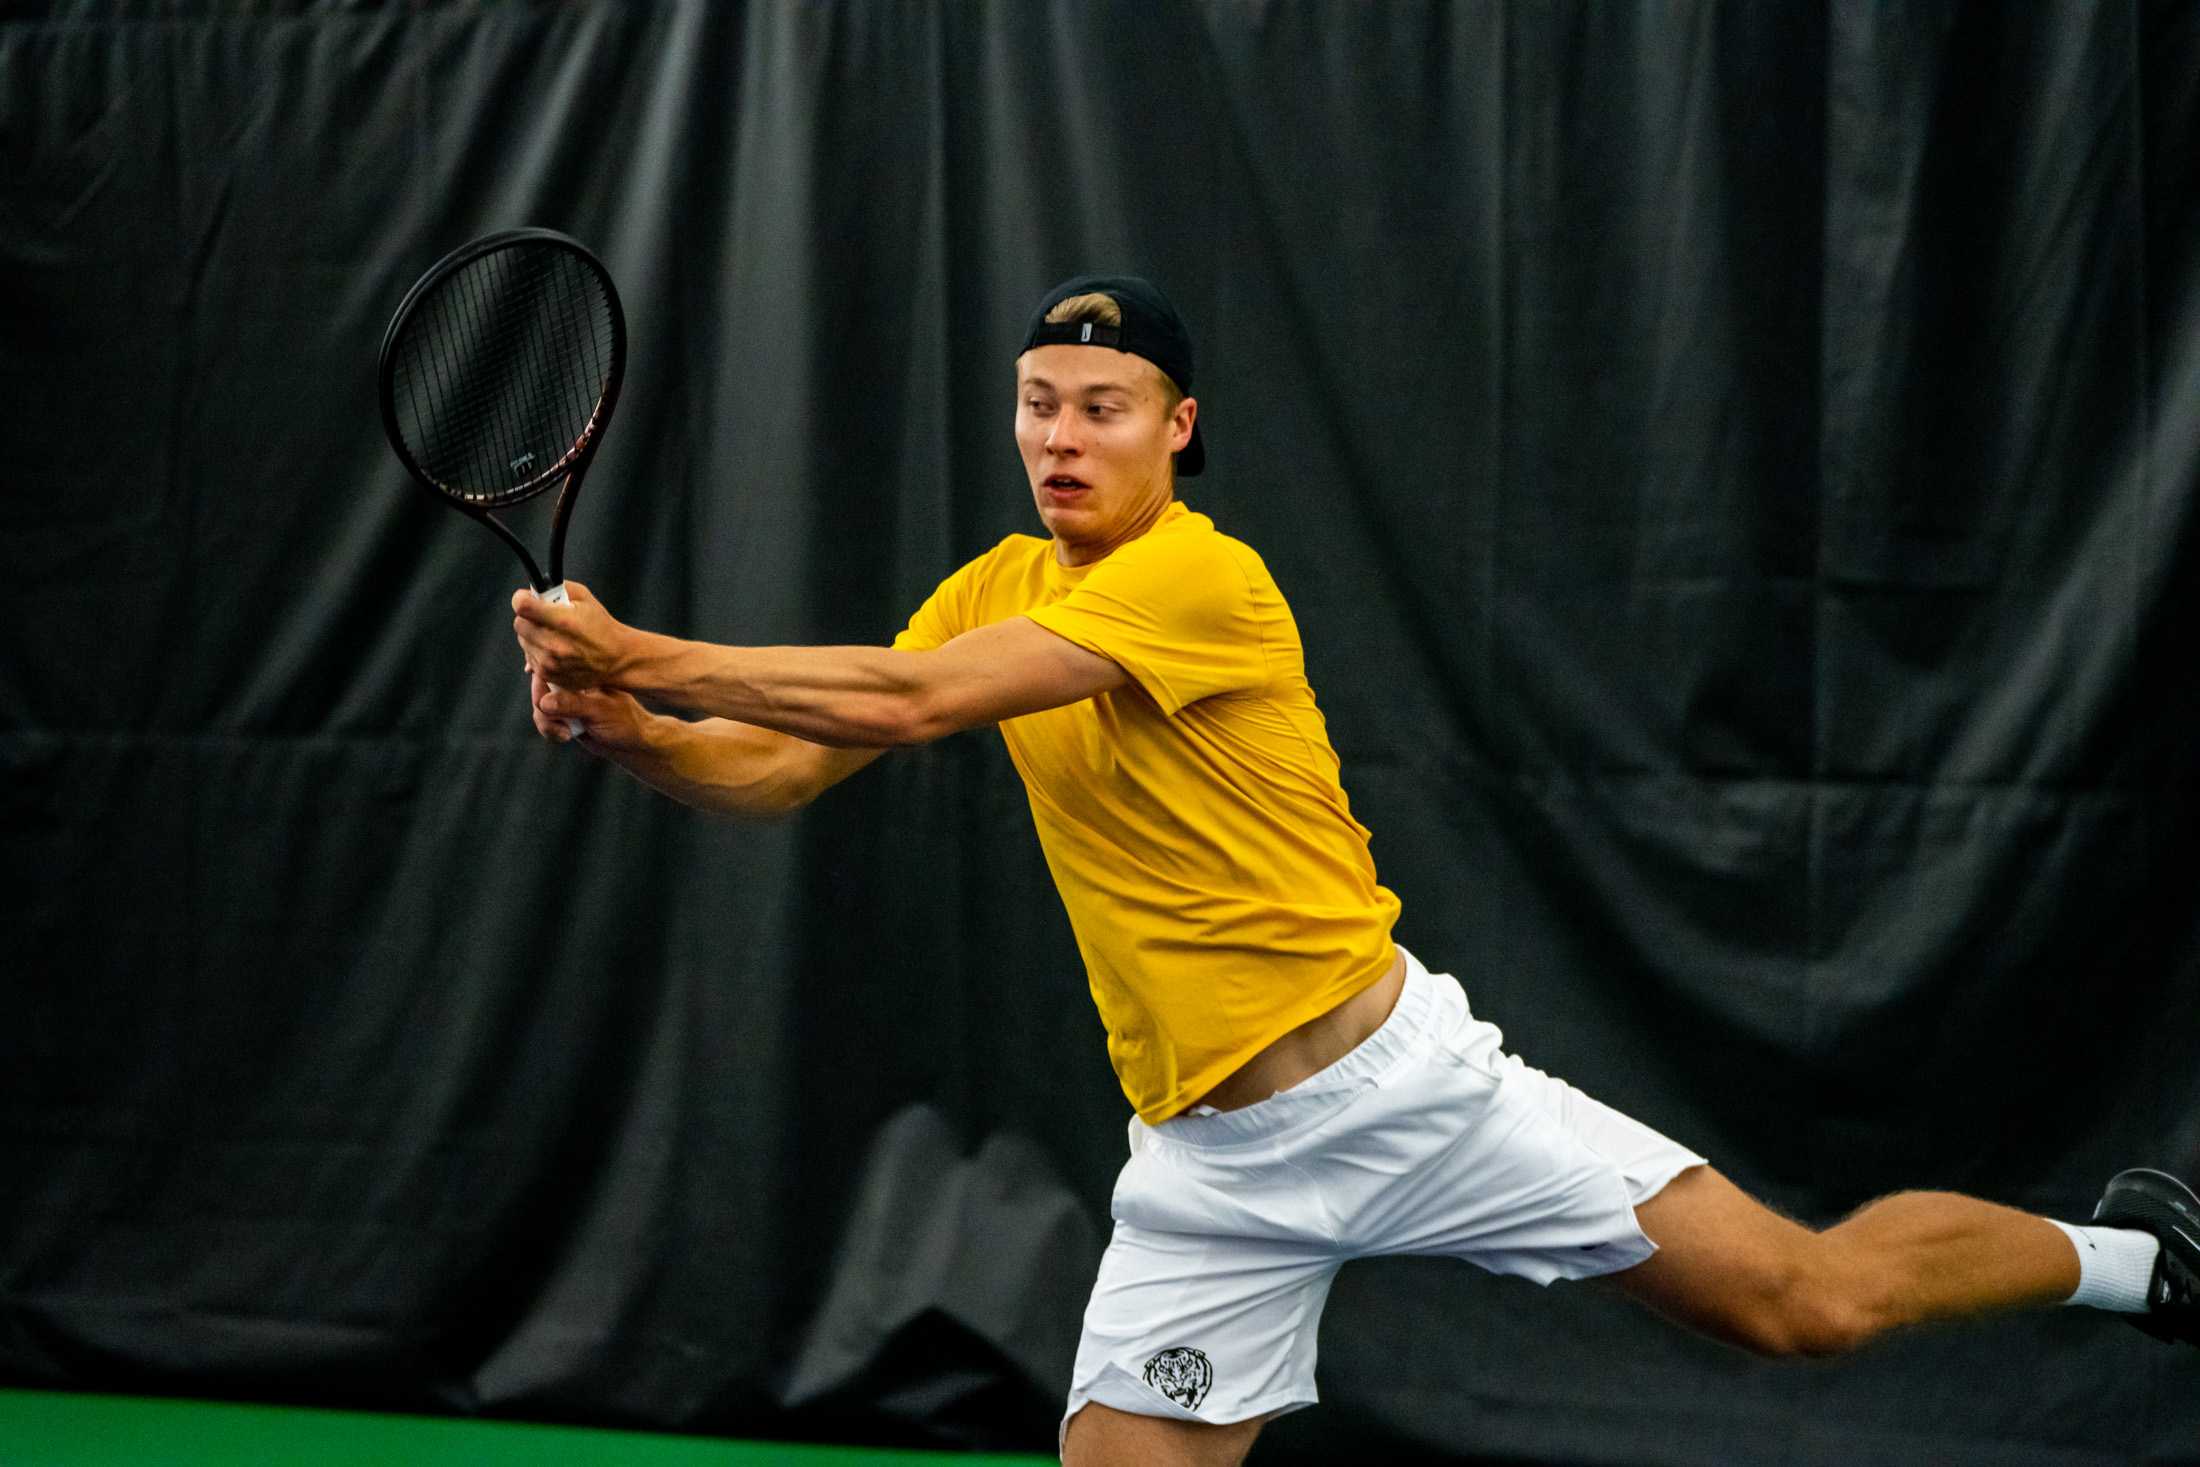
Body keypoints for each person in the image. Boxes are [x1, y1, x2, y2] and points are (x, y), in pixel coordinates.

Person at [510, 274, 2199, 1466]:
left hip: (1408, 1093)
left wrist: (645, 651)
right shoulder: (988, 582)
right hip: (1210, 1170)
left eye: (1104, 408)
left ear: (1180, 428)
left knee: (1806, 1306)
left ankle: (2140, 1259)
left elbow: (915, 698)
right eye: (1039, 405)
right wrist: (634, 733)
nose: (1062, 436)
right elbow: (790, 768)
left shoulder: (1203, 582)